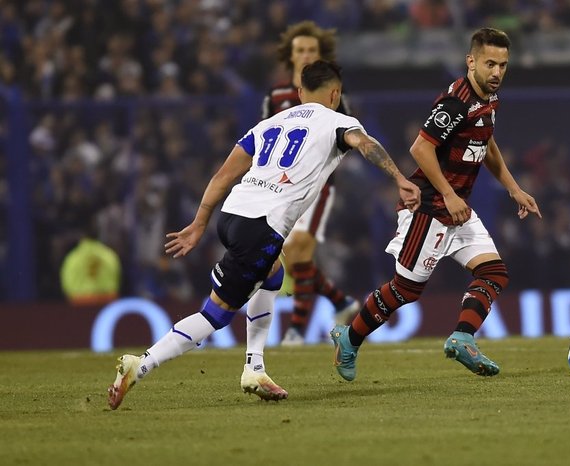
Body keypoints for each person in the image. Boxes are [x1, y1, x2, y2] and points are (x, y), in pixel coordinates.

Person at [107, 60, 421, 409]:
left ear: (300, 93)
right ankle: (141, 364)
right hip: (262, 226)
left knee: (273, 274)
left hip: (232, 215)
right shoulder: (339, 121)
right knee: (216, 314)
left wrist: (199, 224)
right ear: (335, 94)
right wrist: (398, 177)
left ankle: (255, 367)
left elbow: (222, 177)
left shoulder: (269, 123)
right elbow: (365, 145)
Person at [330, 28, 542, 382]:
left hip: (456, 207)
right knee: (405, 290)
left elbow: (486, 144)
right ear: (470, 61)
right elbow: (420, 148)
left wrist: (513, 188)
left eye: (503, 65)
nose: (497, 72)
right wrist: (447, 193)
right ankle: (348, 338)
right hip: (428, 206)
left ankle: (462, 337)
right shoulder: (456, 102)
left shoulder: (489, 99)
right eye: (490, 63)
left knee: (494, 273)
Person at [262, 21, 361, 346]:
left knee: (297, 247)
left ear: (321, 56)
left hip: (318, 187)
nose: (305, 55)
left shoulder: (333, 97)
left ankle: (295, 332)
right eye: (300, 50)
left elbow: (347, 135)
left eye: (311, 50)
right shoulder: (276, 97)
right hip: (281, 188)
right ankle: (341, 301)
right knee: (295, 255)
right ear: (290, 56)